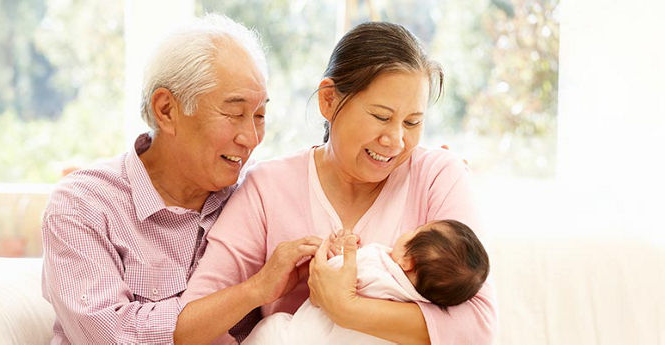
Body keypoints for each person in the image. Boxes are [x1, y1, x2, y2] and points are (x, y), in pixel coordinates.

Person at [178, 22, 498, 345]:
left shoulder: (437, 177)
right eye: (381, 117)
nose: (396, 140)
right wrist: (259, 288)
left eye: (413, 122)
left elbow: (480, 326)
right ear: (328, 100)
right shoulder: (267, 188)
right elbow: (188, 328)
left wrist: (345, 308)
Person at [39, 14, 323, 344]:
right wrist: (254, 290)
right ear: (167, 110)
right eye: (234, 113)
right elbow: (114, 336)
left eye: (260, 116)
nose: (250, 137)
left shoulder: (257, 193)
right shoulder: (82, 206)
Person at [243, 220, 491, 345]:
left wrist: (335, 254)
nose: (407, 231)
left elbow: (325, 285)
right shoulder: (419, 306)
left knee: (274, 327)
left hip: (303, 340)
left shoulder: (376, 266)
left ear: (407, 261)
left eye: (415, 231)